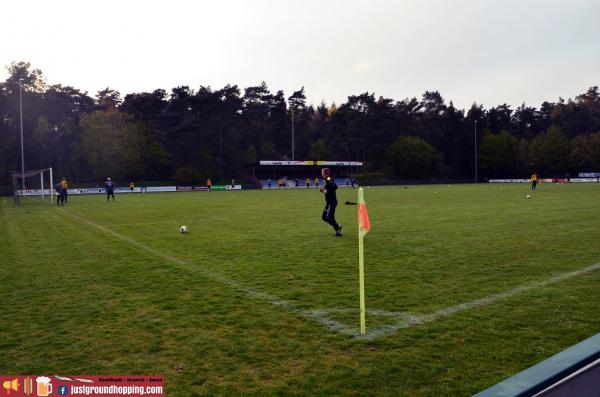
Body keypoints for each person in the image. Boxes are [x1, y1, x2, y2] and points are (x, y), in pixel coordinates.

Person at [320, 168, 342, 236]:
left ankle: (337, 226)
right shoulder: (328, 179)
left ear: (325, 173)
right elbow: (333, 186)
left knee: (325, 217)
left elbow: (333, 188)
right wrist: (325, 189)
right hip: (331, 202)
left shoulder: (328, 179)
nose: (321, 173)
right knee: (330, 217)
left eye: (322, 172)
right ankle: (338, 231)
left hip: (331, 202)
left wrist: (323, 191)